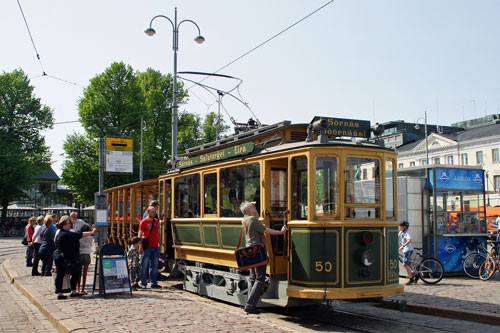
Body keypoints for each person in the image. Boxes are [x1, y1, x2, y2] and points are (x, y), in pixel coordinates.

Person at [239, 201, 288, 314]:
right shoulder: (252, 220)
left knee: (253, 278)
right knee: (259, 278)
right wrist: (281, 232)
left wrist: (249, 204)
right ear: (249, 211)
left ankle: (249, 304)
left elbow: (252, 213)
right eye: (253, 207)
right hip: (258, 252)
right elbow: (267, 230)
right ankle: (250, 305)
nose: (255, 209)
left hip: (250, 251)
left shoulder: (245, 219)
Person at [53, 215, 96, 299]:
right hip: (67, 258)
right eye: (69, 223)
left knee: (61, 274)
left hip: (60, 256)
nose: (70, 225)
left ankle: (61, 292)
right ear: (64, 225)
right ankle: (71, 291)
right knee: (74, 273)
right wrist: (92, 232)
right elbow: (79, 235)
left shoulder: (60, 233)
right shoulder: (66, 234)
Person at [138, 206, 161, 289]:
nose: (154, 213)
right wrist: (140, 246)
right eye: (152, 212)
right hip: (147, 246)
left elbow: (158, 233)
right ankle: (143, 282)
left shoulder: (156, 221)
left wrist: (160, 244)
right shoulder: (143, 222)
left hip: (155, 246)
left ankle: (153, 283)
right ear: (148, 212)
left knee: (154, 265)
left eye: (155, 212)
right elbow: (140, 234)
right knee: (144, 265)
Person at [77, 224, 92, 295]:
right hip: (87, 254)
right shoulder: (89, 238)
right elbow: (91, 245)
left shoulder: (79, 237)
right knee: (85, 273)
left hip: (80, 254)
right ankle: (83, 288)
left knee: (79, 273)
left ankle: (78, 288)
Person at [399, 221, 416, 285]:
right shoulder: (401, 232)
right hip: (405, 250)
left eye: (401, 226)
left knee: (405, 265)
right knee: (407, 264)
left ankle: (411, 278)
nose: (400, 227)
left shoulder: (407, 233)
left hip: (408, 250)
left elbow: (409, 240)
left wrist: (402, 246)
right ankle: (415, 274)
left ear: (405, 227)